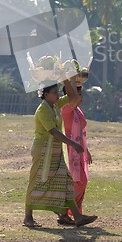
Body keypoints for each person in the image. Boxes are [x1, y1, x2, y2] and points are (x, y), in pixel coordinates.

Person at [23, 78, 98, 228]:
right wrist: (73, 144)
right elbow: (53, 132)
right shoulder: (43, 109)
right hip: (43, 149)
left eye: (58, 92)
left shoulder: (55, 105)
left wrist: (66, 79)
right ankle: (28, 217)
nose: (57, 95)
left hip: (55, 150)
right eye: (54, 93)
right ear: (45, 94)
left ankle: (76, 216)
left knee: (66, 181)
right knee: (36, 180)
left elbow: (73, 97)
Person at [60, 84, 92, 222]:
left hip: (79, 150)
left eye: (81, 94)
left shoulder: (78, 111)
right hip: (70, 150)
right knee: (79, 181)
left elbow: (81, 133)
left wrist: (87, 150)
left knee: (81, 181)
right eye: (77, 94)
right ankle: (65, 210)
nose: (80, 97)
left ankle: (67, 214)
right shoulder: (66, 110)